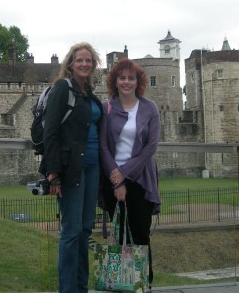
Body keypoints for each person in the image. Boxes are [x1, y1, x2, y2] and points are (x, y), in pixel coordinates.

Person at [39, 42, 103, 293]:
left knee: (85, 229)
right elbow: (51, 131)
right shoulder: (62, 89)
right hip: (71, 168)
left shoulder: (88, 91)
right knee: (71, 231)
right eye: (80, 60)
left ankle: (80, 287)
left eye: (88, 60)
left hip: (92, 166)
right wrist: (53, 173)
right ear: (70, 64)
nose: (84, 64)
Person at [100, 57, 161, 248]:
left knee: (141, 237)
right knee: (119, 236)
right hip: (112, 177)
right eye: (122, 78)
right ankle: (121, 279)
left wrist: (124, 174)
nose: (126, 82)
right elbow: (103, 146)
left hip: (140, 178)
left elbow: (150, 146)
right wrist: (117, 180)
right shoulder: (106, 108)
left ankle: (141, 278)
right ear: (114, 82)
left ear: (138, 82)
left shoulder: (149, 108)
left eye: (131, 78)